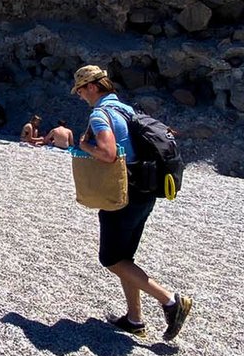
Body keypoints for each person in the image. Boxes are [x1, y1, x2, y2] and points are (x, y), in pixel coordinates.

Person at [72, 64, 193, 341]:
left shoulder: (101, 114)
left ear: (92, 87)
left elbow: (108, 153)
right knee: (126, 258)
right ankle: (134, 319)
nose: (79, 95)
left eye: (80, 90)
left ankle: (171, 302)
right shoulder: (126, 109)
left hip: (122, 196)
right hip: (145, 192)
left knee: (111, 259)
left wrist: (84, 146)